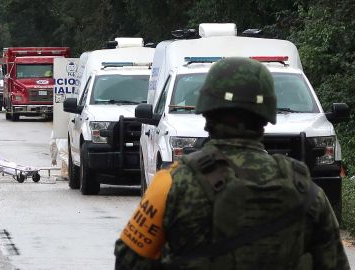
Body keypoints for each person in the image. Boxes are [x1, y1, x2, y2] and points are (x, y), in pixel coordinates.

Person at [114, 57, 349, 270]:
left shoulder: (172, 184)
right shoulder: (305, 190)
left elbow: (128, 262)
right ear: (266, 114)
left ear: (206, 111)